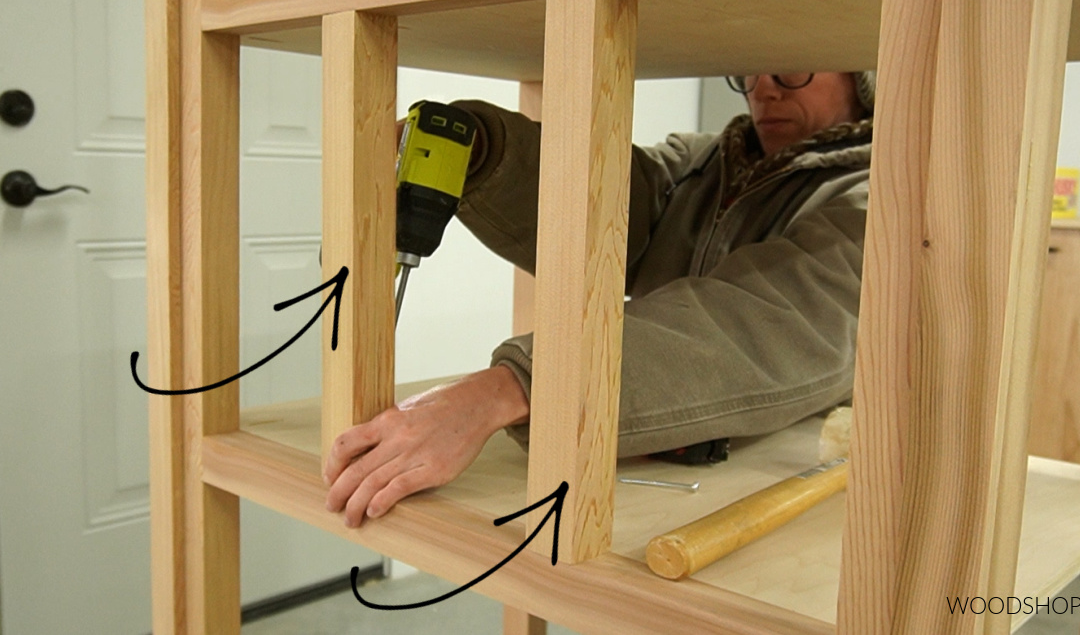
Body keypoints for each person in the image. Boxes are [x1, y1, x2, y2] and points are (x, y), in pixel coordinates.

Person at [323, 71, 876, 528]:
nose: (765, 90)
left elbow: (769, 323)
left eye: (794, 68)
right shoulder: (701, 163)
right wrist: (486, 154)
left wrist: (509, 388)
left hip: (786, 491)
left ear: (859, 73)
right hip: (654, 477)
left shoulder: (879, 194)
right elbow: (610, 206)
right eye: (750, 71)